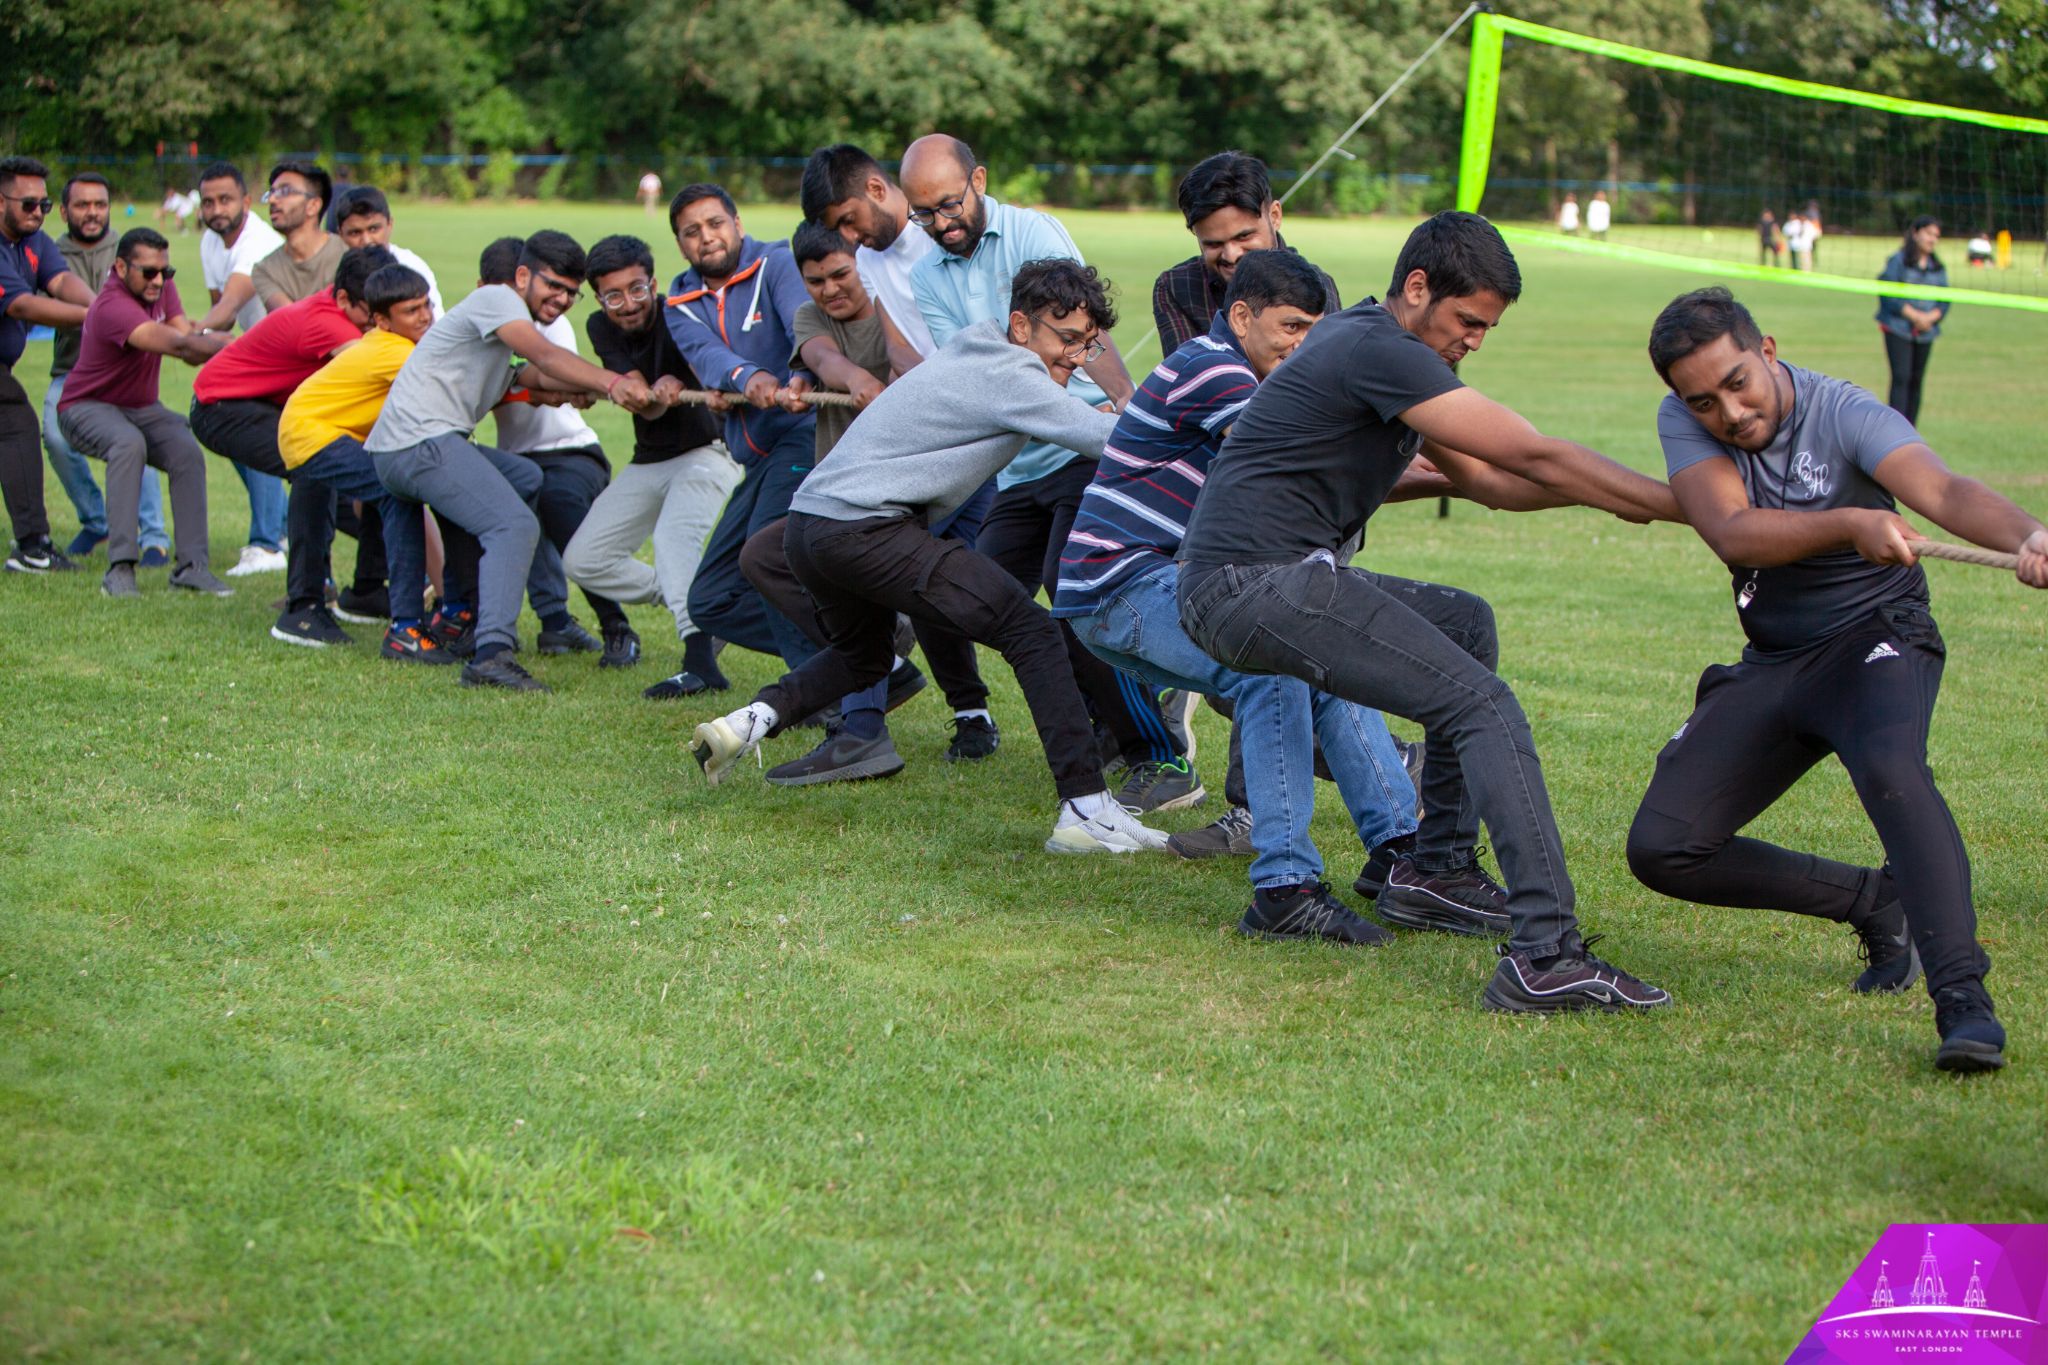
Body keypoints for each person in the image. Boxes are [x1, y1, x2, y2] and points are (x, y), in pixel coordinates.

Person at [1177, 211, 1679, 1012]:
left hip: (1259, 582)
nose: (1476, 340)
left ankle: (1435, 870)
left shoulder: (1389, 355)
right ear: (1417, 287)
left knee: (1466, 623)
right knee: (1483, 705)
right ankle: (1545, 955)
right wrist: (1684, 504)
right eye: (1468, 320)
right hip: (1250, 585)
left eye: (1487, 328)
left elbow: (1488, 483)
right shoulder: (1377, 347)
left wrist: (1622, 503)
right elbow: (1531, 452)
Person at [1630, 286, 2046, 1072]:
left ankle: (1964, 1001)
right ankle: (1874, 902)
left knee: (1892, 768)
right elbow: (1731, 530)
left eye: (1738, 383)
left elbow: (1943, 490)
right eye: (1704, 401)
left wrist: (2031, 534)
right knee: (1664, 846)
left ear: (1768, 351)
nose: (1730, 413)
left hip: (1875, 635)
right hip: (1777, 657)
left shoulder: (1844, 411)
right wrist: (1851, 523)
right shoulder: (1681, 417)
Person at [691, 259, 1169, 856]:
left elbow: (1059, 421)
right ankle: (1086, 809)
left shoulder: (980, 350)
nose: (1076, 357)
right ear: (1022, 325)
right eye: (1067, 339)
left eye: (1087, 343)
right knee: (1032, 631)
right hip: (864, 527)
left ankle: (749, 721)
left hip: (810, 528)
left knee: (865, 658)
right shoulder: (1013, 370)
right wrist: (1207, 422)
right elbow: (1111, 442)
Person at [1057, 250, 1463, 943]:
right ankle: (1285, 890)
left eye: (1315, 331)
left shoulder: (1247, 372)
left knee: (1320, 650)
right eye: (1291, 327)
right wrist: (1469, 467)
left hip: (1161, 581)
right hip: (1120, 584)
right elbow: (1310, 461)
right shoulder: (1214, 367)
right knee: (1273, 662)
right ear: (1241, 316)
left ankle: (1400, 855)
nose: (1303, 345)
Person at [904, 134, 1197, 811]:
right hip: (1017, 468)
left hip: (1083, 447)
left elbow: (1083, 324)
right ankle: (1103, 704)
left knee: (1074, 593)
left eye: (949, 204)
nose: (941, 223)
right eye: (923, 214)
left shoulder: (1032, 232)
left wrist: (1126, 404)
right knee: (963, 594)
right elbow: (978, 371)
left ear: (978, 180)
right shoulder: (926, 276)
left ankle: (1159, 755)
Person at [733, 222, 995, 783]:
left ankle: (955, 714)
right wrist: (848, 379)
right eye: (816, 281)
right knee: (764, 556)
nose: (830, 289)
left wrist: (897, 382)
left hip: (927, 484)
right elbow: (823, 357)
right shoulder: (811, 319)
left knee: (932, 595)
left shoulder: (897, 308)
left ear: (863, 267)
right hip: (848, 497)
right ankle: (882, 670)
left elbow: (924, 366)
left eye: (840, 274)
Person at [365, 230, 651, 693]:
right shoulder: (497, 299)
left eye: (570, 292)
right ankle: (492, 654)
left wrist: (577, 389)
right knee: (513, 525)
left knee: (526, 476)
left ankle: (468, 617)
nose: (561, 299)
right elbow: (545, 356)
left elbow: (527, 376)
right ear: (522, 276)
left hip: (405, 448)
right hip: (419, 445)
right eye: (552, 285)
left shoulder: (499, 333)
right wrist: (613, 383)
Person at [563, 233, 744, 698]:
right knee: (584, 559)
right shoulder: (601, 327)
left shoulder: (679, 313)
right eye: (613, 296)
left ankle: (701, 665)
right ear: (599, 299)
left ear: (654, 284)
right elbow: (643, 400)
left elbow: (711, 371)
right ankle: (711, 603)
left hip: (709, 451)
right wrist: (653, 391)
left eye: (637, 289)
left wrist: (678, 381)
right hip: (650, 458)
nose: (628, 304)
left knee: (673, 539)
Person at [190, 244, 397, 639]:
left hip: (266, 404)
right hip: (221, 406)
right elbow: (380, 370)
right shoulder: (330, 325)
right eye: (371, 316)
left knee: (359, 472)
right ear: (343, 299)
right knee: (314, 464)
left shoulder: (345, 313)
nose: (378, 325)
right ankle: (303, 609)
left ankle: (368, 591)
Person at [662, 182, 820, 673]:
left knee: (765, 557)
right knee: (709, 601)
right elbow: (706, 354)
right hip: (754, 457)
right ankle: (860, 643)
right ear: (680, 245)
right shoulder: (679, 300)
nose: (706, 237)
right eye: (691, 232)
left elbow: (802, 324)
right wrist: (745, 377)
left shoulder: (775, 263)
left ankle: (825, 686)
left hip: (804, 434)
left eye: (715, 223)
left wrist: (799, 373)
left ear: (737, 224)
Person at [474, 236, 635, 666]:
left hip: (571, 452)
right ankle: (553, 621)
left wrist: (593, 386)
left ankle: (617, 626)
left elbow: (545, 369)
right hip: (517, 456)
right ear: (482, 290)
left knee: (556, 500)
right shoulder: (486, 327)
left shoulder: (546, 326)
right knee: (507, 511)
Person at [56, 227, 233, 597]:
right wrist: (236, 344)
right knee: (127, 443)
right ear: (121, 268)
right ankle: (120, 569)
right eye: (149, 272)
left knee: (185, 450)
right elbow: (179, 345)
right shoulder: (112, 306)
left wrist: (212, 342)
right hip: (85, 406)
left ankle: (192, 567)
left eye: (165, 272)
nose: (159, 280)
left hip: (140, 407)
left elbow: (187, 339)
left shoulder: (160, 286)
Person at [276, 263, 442, 656]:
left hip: (316, 429)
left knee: (389, 489)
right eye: (411, 310)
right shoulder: (396, 352)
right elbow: (450, 391)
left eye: (427, 305)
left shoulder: (393, 344)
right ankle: (406, 626)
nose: (424, 316)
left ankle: (376, 597)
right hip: (312, 433)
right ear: (383, 321)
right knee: (396, 491)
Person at [44, 171, 171, 564]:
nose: (92, 212)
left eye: (100, 204)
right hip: (71, 370)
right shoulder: (50, 254)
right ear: (64, 210)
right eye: (82, 205)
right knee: (55, 437)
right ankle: (97, 521)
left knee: (135, 439)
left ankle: (153, 536)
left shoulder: (131, 251)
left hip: (125, 373)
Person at [0, 155, 91, 574]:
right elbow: (23, 305)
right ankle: (33, 546)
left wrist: (100, 306)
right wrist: (98, 319)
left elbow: (60, 281)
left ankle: (32, 543)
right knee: (16, 423)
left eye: (45, 205)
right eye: (28, 204)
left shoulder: (33, 240)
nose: (38, 212)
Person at [1152, 150, 1339, 354]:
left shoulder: (1318, 285)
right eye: (1213, 244)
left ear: (1275, 216)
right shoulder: (1177, 287)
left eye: (1244, 236)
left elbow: (1324, 367)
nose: (1231, 255)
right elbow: (1188, 371)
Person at [800, 143, 938, 370]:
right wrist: (931, 383)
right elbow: (897, 346)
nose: (849, 237)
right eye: (837, 229)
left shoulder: (940, 229)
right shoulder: (865, 259)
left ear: (876, 189)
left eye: (849, 220)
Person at [193, 161, 285, 335]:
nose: (217, 210)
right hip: (257, 340)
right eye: (208, 202)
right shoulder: (210, 239)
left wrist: (191, 333)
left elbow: (229, 305)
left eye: (225, 200)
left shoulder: (260, 240)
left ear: (246, 202)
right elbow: (221, 314)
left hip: (286, 342)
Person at [1875, 216, 1947, 425]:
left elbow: (1945, 299)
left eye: (1936, 236)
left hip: (1926, 331)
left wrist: (1930, 318)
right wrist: (1914, 316)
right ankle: (1895, 429)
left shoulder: (1937, 267)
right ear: (1915, 233)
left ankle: (1911, 431)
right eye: (1928, 233)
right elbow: (1888, 294)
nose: (1932, 239)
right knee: (1901, 377)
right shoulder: (1898, 261)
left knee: (1916, 380)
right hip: (1899, 328)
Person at [332, 187, 444, 315]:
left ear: (390, 224)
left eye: (373, 229)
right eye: (355, 233)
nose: (366, 240)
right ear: (340, 234)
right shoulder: (333, 267)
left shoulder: (411, 267)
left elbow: (434, 321)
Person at [250, 162, 342, 313]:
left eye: (285, 191)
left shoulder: (346, 255)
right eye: (271, 192)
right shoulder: (265, 270)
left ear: (313, 205)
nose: (272, 200)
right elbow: (292, 320)